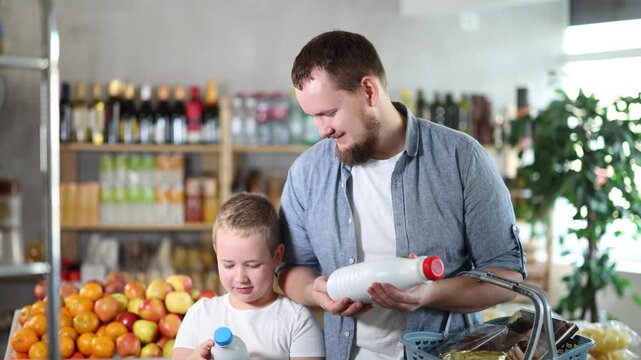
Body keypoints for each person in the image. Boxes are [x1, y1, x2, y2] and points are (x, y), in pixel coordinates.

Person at [278, 30, 527, 360]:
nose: (321, 130)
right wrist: (313, 290)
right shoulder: (307, 173)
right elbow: (289, 269)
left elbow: (506, 276)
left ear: (369, 90)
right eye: (313, 117)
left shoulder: (461, 158)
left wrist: (430, 294)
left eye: (329, 113)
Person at [173, 193, 325, 360]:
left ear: (276, 256)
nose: (240, 278)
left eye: (252, 265)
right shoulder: (199, 314)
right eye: (228, 265)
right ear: (216, 252)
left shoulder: (298, 320)